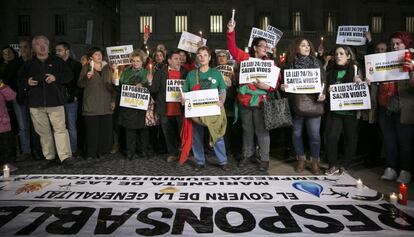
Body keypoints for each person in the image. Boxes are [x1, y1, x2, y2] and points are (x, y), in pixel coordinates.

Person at [226, 19, 279, 171]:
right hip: (244, 101)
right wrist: (231, 31)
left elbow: (275, 83)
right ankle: (247, 154)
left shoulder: (271, 63)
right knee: (247, 130)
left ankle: (264, 159)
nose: (265, 48)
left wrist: (266, 87)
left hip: (261, 102)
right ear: (255, 47)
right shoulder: (245, 58)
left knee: (262, 131)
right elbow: (232, 49)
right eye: (263, 46)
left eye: (267, 46)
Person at [18, 35, 75, 169]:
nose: (42, 46)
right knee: (43, 132)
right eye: (38, 44)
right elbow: (19, 80)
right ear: (34, 47)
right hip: (36, 104)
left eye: (45, 44)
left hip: (55, 102)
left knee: (60, 130)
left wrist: (56, 77)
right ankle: (49, 157)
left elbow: (69, 76)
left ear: (49, 46)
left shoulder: (57, 61)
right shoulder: (28, 64)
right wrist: (27, 82)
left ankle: (65, 156)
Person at [281, 38, 326, 175]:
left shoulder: (317, 62)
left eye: (308, 45)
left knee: (314, 135)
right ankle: (301, 159)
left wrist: (323, 94)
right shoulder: (290, 65)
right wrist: (284, 87)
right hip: (297, 104)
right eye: (303, 45)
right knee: (296, 133)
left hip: (314, 103)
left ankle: (314, 161)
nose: (306, 47)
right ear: (297, 48)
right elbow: (285, 83)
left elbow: (323, 81)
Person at [181, 46, 229, 171]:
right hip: (196, 113)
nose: (202, 58)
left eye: (205, 55)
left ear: (209, 57)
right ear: (197, 57)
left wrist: (222, 101)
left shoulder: (216, 73)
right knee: (196, 136)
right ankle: (200, 162)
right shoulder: (191, 74)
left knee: (217, 135)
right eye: (200, 55)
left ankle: (223, 161)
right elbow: (185, 92)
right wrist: (183, 99)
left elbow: (222, 90)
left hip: (213, 110)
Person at [378, 32, 414, 183]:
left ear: (405, 44)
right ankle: (390, 168)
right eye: (392, 44)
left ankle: (406, 170)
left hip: (403, 107)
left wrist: (412, 70)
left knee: (405, 141)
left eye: (398, 43)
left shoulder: (411, 60)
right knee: (389, 140)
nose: (394, 46)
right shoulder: (383, 60)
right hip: (385, 105)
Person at [324, 46, 362, 175]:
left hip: (350, 112)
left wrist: (360, 81)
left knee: (350, 138)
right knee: (331, 138)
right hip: (335, 112)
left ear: (348, 56)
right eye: (336, 54)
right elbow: (326, 91)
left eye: (341, 53)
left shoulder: (356, 70)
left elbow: (363, 88)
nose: (338, 56)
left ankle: (345, 164)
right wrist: (328, 91)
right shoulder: (331, 72)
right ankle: (332, 165)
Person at [78, 47, 116, 159]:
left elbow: (113, 86)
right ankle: (91, 153)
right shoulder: (86, 68)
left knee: (105, 131)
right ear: (91, 57)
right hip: (92, 105)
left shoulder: (108, 68)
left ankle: (103, 152)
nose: (99, 56)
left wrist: (113, 100)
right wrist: (86, 77)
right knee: (92, 132)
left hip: (106, 104)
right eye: (96, 54)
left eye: (100, 54)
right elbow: (80, 84)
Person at [149, 50, 187, 162]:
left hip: (181, 109)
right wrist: (150, 82)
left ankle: (184, 153)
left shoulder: (185, 72)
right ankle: (173, 153)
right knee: (168, 134)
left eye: (180, 59)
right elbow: (154, 90)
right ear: (169, 61)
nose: (178, 61)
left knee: (182, 133)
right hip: (165, 110)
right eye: (176, 59)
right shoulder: (161, 73)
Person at [118, 50, 152, 160]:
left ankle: (144, 151)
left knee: (143, 130)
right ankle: (130, 152)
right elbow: (120, 86)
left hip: (143, 105)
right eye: (133, 61)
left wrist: (145, 84)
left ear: (142, 61)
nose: (136, 63)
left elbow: (153, 88)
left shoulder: (147, 73)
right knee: (130, 130)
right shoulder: (126, 72)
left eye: (138, 61)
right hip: (129, 106)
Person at [55, 42, 82, 158]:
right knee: (59, 127)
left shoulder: (75, 65)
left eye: (59, 50)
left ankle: (73, 149)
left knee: (71, 126)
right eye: (56, 50)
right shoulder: (53, 64)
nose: (57, 52)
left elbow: (79, 82)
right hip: (56, 100)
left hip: (70, 99)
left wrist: (75, 96)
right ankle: (62, 150)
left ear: (67, 51)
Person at [0, 79, 17, 166]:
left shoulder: (1, 86)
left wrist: (2, 86)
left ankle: (5, 165)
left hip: (2, 123)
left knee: (5, 146)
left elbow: (12, 96)